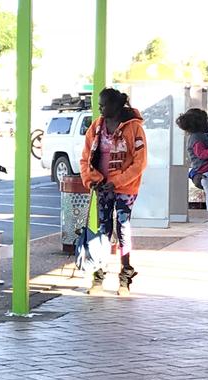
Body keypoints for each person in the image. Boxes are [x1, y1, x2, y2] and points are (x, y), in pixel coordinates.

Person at [79, 88, 148, 296]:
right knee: (103, 230)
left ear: (116, 106)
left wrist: (116, 181)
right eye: (99, 105)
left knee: (123, 228)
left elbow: (140, 163)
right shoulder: (96, 127)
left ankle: (125, 277)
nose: (100, 109)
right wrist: (91, 179)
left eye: (103, 105)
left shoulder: (134, 128)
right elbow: (85, 158)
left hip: (126, 188)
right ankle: (98, 276)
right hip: (102, 187)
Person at [176, 108, 208, 233]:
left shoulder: (201, 136)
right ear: (200, 123)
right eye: (206, 120)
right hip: (206, 173)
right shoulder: (196, 138)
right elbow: (201, 154)